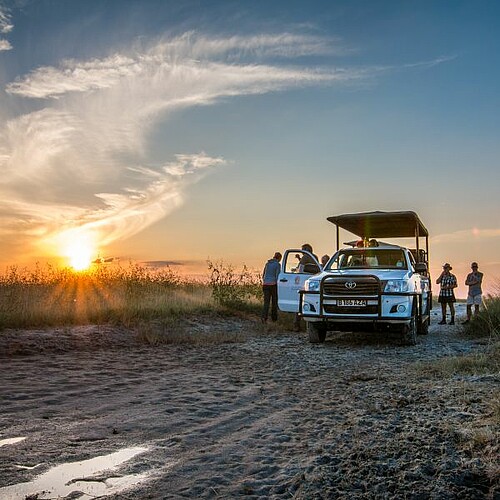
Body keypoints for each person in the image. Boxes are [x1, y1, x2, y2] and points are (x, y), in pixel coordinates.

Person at [261, 252, 282, 323]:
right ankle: (274, 319)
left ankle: (264, 318)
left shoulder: (267, 264)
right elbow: (277, 276)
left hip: (265, 284)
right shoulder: (278, 265)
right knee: (274, 302)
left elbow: (263, 275)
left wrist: (265, 280)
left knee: (266, 302)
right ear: (279, 258)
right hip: (273, 285)